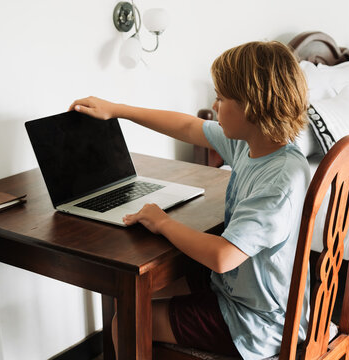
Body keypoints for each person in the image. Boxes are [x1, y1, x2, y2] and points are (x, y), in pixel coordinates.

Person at [69, 40, 311, 360]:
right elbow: (188, 125)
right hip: (252, 294)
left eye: (222, 98)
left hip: (256, 324)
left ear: (251, 107)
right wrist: (117, 110)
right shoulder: (256, 144)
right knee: (136, 293)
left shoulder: (278, 181)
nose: (215, 103)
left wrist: (163, 222)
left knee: (125, 322)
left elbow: (223, 257)